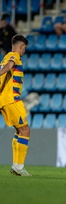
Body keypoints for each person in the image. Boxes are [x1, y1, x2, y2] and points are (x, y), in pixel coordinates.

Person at [0, 35, 31, 176]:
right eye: (24, 48)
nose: (24, 51)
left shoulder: (5, 56)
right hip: (13, 99)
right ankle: (19, 166)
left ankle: (16, 166)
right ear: (21, 46)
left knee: (19, 131)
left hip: (4, 100)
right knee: (25, 130)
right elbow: (10, 65)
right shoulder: (14, 56)